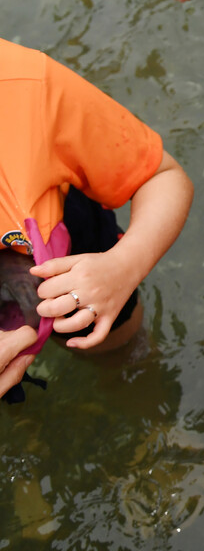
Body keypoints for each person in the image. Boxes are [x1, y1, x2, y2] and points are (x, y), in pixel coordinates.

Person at [0, 38, 193, 402]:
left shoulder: (23, 88)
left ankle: (144, 409)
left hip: (69, 264)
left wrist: (123, 266)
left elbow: (162, 176)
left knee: (125, 362)